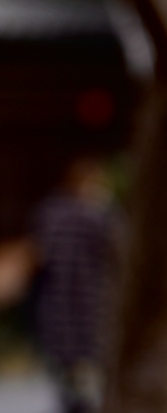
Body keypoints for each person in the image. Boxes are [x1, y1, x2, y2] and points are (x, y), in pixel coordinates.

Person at [31, 156, 119, 413]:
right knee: (92, 397)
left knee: (69, 396)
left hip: (56, 323)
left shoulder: (48, 215)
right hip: (92, 322)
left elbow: (39, 259)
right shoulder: (100, 218)